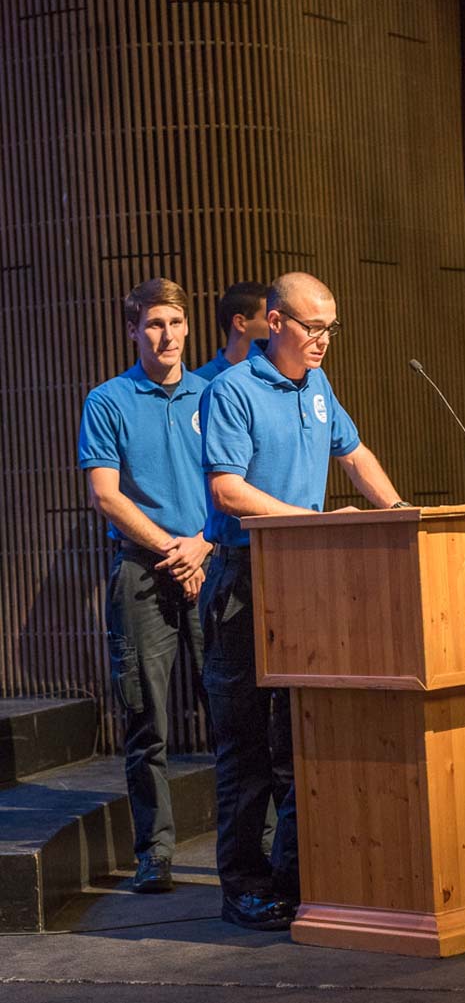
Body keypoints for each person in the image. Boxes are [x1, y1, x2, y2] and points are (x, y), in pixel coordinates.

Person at [199, 271, 410, 931]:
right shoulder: (233, 389)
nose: (322, 340)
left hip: (306, 582)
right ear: (273, 320)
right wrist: (306, 521)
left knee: (298, 741)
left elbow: (355, 453)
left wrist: (402, 513)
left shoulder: (316, 386)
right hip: (244, 579)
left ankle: (295, 877)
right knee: (246, 745)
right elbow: (228, 492)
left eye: (329, 327)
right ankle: (244, 886)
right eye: (311, 326)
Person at [78, 278, 212, 894]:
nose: (167, 335)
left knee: (238, 719)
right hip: (141, 572)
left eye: (176, 323)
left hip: (213, 567)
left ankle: (261, 845)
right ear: (133, 330)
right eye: (154, 323)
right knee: (147, 722)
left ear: (189, 328)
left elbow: (232, 486)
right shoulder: (108, 400)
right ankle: (155, 853)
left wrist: (202, 546)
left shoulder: (213, 396)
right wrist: (172, 550)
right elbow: (107, 495)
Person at [195, 280, 268, 381]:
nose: (277, 326)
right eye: (268, 318)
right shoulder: (202, 382)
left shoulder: (278, 374)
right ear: (240, 323)